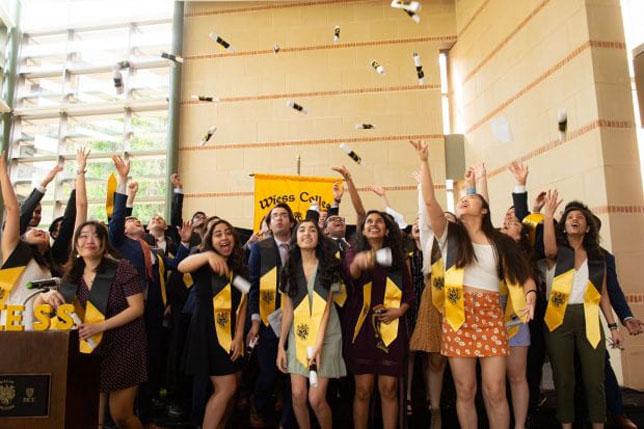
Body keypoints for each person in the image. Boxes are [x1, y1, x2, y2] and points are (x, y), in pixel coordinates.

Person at [411, 140, 536, 429]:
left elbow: (523, 275)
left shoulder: (500, 241)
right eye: (461, 199)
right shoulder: (451, 236)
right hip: (457, 319)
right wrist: (425, 162)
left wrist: (530, 294)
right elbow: (430, 203)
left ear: (484, 210)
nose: (463, 200)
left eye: (470, 198)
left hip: (492, 317)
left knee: (495, 390)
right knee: (465, 391)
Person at [38, 220, 148, 429]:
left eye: (97, 235)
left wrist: (101, 326)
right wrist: (46, 296)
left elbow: (137, 309)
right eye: (84, 236)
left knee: (121, 416)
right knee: (91, 418)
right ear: (77, 245)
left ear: (104, 243)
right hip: (91, 349)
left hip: (124, 346)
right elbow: (57, 307)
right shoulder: (72, 275)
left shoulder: (122, 268)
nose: (90, 240)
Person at [542, 190, 622, 429]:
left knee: (594, 379)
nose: (574, 219)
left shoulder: (598, 257)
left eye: (580, 217)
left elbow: (604, 294)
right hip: (558, 318)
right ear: (564, 227)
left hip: (588, 318)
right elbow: (547, 249)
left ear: (588, 227)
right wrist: (548, 214)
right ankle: (566, 425)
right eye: (569, 217)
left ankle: (599, 424)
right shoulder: (557, 254)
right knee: (564, 379)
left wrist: (613, 326)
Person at [344, 209, 415, 429]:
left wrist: (400, 312)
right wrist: (359, 262)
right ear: (363, 230)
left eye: (379, 222)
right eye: (369, 222)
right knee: (363, 391)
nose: (374, 224)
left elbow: (409, 294)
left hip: (390, 330)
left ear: (386, 230)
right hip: (361, 329)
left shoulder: (397, 259)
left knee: (389, 389)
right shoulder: (353, 253)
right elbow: (350, 276)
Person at [0, 149, 82, 329]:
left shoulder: (52, 262)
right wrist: (2, 173)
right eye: (32, 230)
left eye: (43, 231)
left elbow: (68, 226)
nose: (39, 230)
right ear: (22, 236)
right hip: (9, 328)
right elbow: (14, 209)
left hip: (39, 332)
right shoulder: (14, 252)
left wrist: (76, 189)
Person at [178, 219, 248, 429]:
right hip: (207, 333)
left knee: (232, 389)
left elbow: (243, 304)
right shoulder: (202, 263)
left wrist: (238, 336)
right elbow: (181, 267)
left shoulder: (240, 269)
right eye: (218, 234)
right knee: (226, 388)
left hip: (232, 335)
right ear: (210, 240)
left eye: (228, 233)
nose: (224, 237)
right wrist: (207, 255)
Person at [276, 219, 346, 429]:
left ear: (319, 236)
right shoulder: (289, 269)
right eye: (302, 230)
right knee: (298, 395)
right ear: (295, 238)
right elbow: (288, 310)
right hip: (299, 334)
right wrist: (281, 345)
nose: (307, 233)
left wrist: (317, 344)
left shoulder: (331, 266)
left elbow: (326, 310)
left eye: (312, 230)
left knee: (316, 398)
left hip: (327, 336)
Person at [246, 203, 297, 428]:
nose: (279, 219)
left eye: (283, 215)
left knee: (292, 374)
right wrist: (255, 318)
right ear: (269, 223)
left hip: (298, 319)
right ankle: (258, 406)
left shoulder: (301, 246)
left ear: (291, 222)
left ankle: (286, 420)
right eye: (274, 216)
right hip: (269, 319)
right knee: (267, 373)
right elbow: (252, 285)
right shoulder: (261, 248)